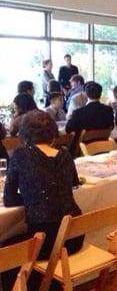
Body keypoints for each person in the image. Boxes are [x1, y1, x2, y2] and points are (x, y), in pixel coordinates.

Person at [1, 111, 83, 291]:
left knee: (5, 251)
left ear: (24, 136)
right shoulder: (65, 154)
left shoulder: (21, 155)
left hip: (45, 241)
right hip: (74, 237)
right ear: (53, 134)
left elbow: (8, 199)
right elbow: (74, 184)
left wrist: (32, 195)